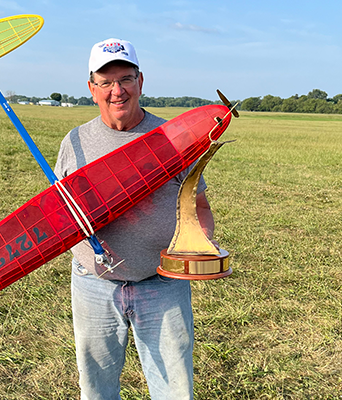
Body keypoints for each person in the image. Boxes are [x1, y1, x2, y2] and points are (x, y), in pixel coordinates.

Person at [54, 38, 216, 400]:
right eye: (106, 81)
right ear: (91, 88)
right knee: (96, 388)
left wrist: (202, 246)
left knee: (174, 389)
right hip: (94, 283)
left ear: (141, 82)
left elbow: (199, 207)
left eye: (126, 79)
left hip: (161, 283)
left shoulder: (175, 139)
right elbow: (59, 214)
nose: (117, 91)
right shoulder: (75, 142)